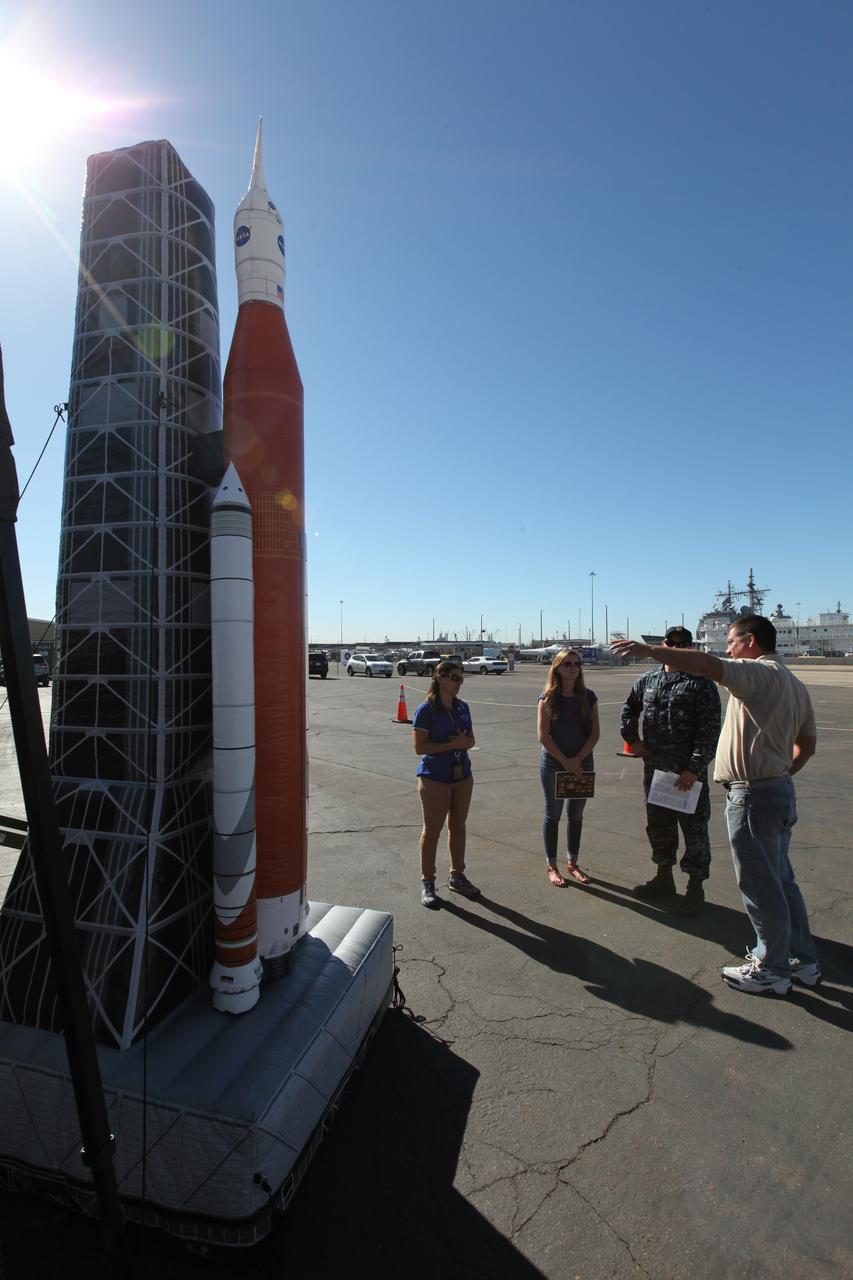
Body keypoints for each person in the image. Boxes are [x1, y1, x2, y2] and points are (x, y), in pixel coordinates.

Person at [611, 617, 819, 995]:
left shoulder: (757, 673)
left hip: (754, 794)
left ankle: (771, 968)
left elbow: (708, 666)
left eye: (731, 641)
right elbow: (807, 742)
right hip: (775, 789)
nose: (727, 648)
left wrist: (646, 649)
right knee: (782, 880)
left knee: (761, 884)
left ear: (750, 641)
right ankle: (802, 961)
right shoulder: (794, 683)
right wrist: (783, 772)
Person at [619, 625, 721, 916]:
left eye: (682, 644)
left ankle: (695, 888)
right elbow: (628, 710)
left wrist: (694, 768)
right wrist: (633, 741)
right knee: (659, 827)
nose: (675, 648)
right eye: (670, 642)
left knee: (695, 833)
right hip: (656, 772)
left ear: (689, 647)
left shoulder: (701, 684)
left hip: (689, 777)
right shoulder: (647, 680)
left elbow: (709, 731)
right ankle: (664, 878)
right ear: (662, 644)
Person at [413, 660, 481, 908]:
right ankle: (428, 882)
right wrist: (453, 744)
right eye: (453, 677)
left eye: (460, 678)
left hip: (462, 776)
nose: (458, 682)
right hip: (434, 777)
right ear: (438, 677)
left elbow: (471, 739)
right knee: (432, 831)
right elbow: (420, 747)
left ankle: (457, 876)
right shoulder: (426, 710)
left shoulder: (462, 707)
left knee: (458, 827)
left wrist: (464, 742)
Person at [537, 649, 601, 886]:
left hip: (583, 763)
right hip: (555, 763)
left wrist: (579, 759)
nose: (573, 667)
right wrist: (566, 761)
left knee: (576, 816)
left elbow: (595, 734)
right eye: (567, 664)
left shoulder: (589, 697)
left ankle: (572, 862)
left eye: (576, 663)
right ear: (557, 668)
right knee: (552, 815)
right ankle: (552, 865)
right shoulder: (547, 697)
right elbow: (543, 736)